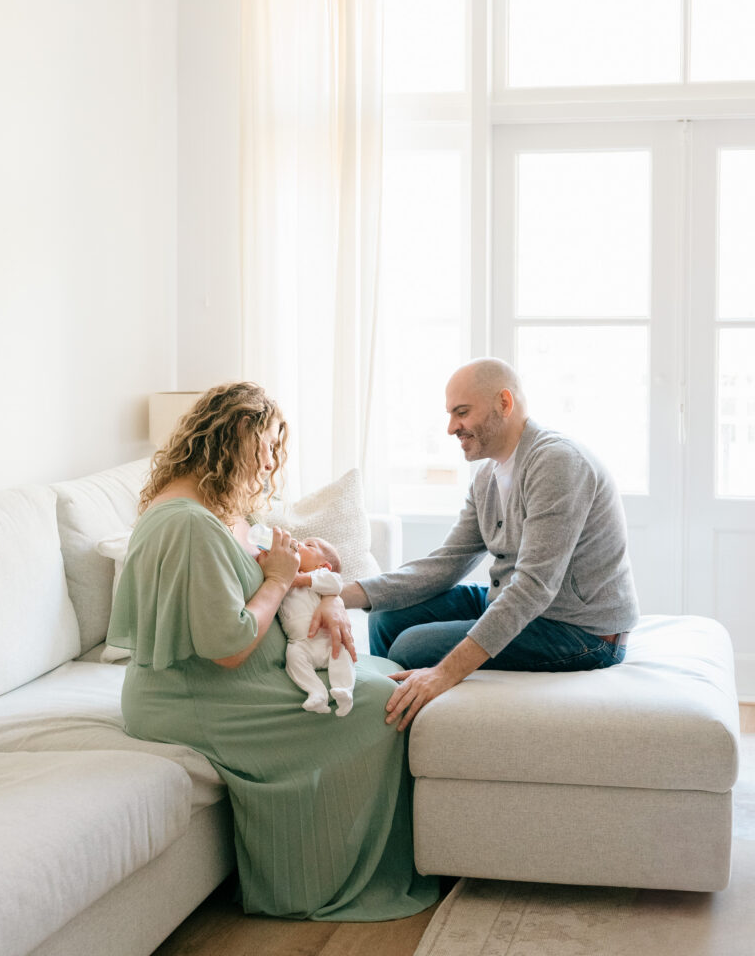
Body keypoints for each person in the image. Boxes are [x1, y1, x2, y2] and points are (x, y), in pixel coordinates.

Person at [106, 382, 438, 921]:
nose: (270, 462)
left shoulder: (217, 509)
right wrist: (282, 583)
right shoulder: (188, 524)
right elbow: (230, 648)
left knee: (381, 671)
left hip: (231, 682)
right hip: (201, 697)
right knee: (378, 703)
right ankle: (321, 876)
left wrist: (326, 599)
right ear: (236, 436)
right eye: (267, 445)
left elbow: (288, 565)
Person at [340, 357, 640, 732]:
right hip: (519, 605)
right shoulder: (486, 476)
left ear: (504, 403)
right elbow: (446, 563)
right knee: (387, 615)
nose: (451, 428)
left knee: (410, 648)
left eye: (461, 412)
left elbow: (533, 588)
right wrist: (337, 595)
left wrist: (442, 674)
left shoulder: (557, 463)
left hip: (581, 630)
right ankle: (393, 729)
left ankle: (407, 717)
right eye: (450, 414)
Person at [271, 536, 356, 716]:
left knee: (341, 654)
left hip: (326, 640)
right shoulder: (285, 576)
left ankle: (344, 690)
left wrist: (303, 579)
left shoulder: (321, 577)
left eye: (308, 545)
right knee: (293, 658)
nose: (299, 544)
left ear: (323, 566)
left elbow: (336, 584)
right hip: (300, 642)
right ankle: (316, 692)